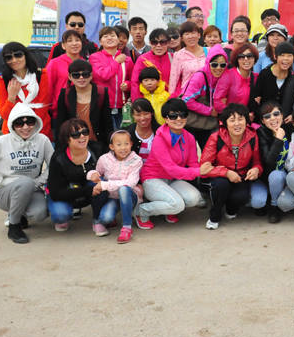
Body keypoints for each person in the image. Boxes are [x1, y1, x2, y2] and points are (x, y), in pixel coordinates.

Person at [0, 103, 53, 243]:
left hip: (31, 187)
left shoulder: (43, 140)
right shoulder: (0, 142)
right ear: (12, 125)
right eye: (19, 123)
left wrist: (38, 181)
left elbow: (53, 166)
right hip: (4, 192)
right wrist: (0, 181)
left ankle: (20, 214)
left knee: (40, 214)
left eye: (30, 122)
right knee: (24, 183)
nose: (25, 127)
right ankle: (14, 226)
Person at [137, 98, 204, 230]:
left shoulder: (189, 137)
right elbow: (171, 168)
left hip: (173, 179)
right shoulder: (159, 139)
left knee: (194, 199)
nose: (179, 119)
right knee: (177, 205)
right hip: (153, 179)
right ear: (166, 119)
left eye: (183, 115)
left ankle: (167, 209)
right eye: (173, 116)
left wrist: (203, 170)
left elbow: (193, 163)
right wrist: (199, 171)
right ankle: (141, 211)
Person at [199, 103, 263, 229]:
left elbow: (257, 162)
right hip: (218, 176)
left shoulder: (252, 137)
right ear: (225, 123)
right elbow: (204, 168)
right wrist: (226, 173)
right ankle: (215, 215)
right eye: (232, 120)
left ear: (246, 121)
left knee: (242, 197)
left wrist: (256, 169)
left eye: (240, 119)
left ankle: (230, 208)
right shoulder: (216, 137)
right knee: (221, 185)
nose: (237, 124)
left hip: (240, 176)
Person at [45, 118, 100, 232]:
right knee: (61, 215)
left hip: (86, 189)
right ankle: (64, 212)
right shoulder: (58, 157)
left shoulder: (97, 149)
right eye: (76, 134)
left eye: (85, 132)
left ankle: (98, 219)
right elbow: (56, 193)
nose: (82, 136)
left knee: (101, 180)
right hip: (63, 192)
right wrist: (87, 191)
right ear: (67, 139)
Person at [91, 130, 144, 243]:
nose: (123, 148)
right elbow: (97, 173)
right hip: (113, 197)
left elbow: (130, 183)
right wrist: (92, 175)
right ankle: (113, 216)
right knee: (106, 218)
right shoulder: (104, 159)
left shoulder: (136, 160)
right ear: (112, 146)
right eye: (119, 144)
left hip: (130, 196)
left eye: (126, 144)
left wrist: (106, 185)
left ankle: (127, 227)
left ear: (131, 144)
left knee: (124, 188)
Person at [54, 59, 111, 156]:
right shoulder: (65, 94)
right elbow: (60, 123)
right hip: (74, 143)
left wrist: (108, 147)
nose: (81, 78)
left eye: (85, 74)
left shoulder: (101, 92)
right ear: (70, 77)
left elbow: (107, 123)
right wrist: (60, 149)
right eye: (76, 75)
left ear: (91, 75)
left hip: (97, 143)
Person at [0, 42, 51, 139]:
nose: (14, 60)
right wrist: (11, 97)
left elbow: (43, 107)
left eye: (18, 55)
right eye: (9, 57)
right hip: (13, 134)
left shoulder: (42, 76)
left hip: (39, 131)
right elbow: (5, 115)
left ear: (26, 55)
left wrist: (28, 128)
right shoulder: (3, 81)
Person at [182, 44, 227, 148]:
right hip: (192, 124)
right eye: (214, 64)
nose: (218, 68)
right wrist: (209, 111)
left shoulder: (223, 78)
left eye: (222, 65)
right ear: (208, 63)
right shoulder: (200, 77)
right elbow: (186, 100)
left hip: (208, 125)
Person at [90, 26, 133, 131]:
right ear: (100, 41)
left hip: (122, 107)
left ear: (118, 40)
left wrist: (128, 85)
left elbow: (133, 80)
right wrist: (116, 61)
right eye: (105, 36)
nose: (109, 38)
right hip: (103, 106)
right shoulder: (95, 57)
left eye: (113, 35)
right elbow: (104, 75)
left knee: (122, 135)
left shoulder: (127, 60)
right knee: (108, 136)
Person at [253, 101, 289, 223]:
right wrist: (278, 139)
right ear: (263, 121)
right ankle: (268, 198)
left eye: (276, 114)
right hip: (265, 177)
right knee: (257, 202)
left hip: (283, 176)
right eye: (267, 116)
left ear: (282, 115)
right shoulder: (260, 133)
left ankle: (274, 206)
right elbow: (268, 162)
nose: (272, 118)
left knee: (277, 176)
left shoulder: (289, 130)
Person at [45, 30, 85, 120]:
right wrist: (49, 108)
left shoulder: (85, 63)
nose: (74, 43)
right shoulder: (54, 63)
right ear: (63, 46)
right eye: (70, 41)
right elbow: (48, 87)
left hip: (81, 110)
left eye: (77, 40)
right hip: (59, 111)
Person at [129, 28, 172, 101]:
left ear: (168, 43)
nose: (158, 45)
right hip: (148, 102)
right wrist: (139, 102)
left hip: (170, 102)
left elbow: (179, 82)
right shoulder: (142, 59)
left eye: (162, 42)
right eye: (154, 42)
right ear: (150, 43)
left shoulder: (173, 58)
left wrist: (173, 99)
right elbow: (135, 83)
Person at [214, 43, 257, 114]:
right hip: (231, 117)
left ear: (254, 59)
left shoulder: (256, 77)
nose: (246, 59)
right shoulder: (228, 76)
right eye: (241, 56)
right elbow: (218, 102)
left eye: (249, 56)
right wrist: (235, 115)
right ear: (237, 59)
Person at [252, 41, 294, 111]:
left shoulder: (292, 78)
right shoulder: (265, 74)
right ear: (275, 56)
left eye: (289, 55)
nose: (286, 58)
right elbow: (256, 98)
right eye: (282, 55)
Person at [168, 21, 206, 97]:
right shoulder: (178, 55)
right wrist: (171, 98)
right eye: (187, 34)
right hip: (187, 96)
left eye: (193, 33)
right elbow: (173, 80)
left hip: (207, 95)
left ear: (199, 35)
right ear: (182, 38)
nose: (190, 36)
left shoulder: (209, 51)